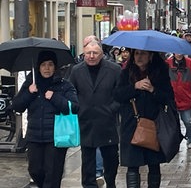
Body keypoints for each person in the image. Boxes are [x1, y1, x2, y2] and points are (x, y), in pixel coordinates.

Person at [11, 50, 79, 188]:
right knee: (34, 170)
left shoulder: (64, 85)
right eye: (43, 65)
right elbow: (17, 106)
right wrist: (29, 93)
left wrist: (54, 97)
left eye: (50, 64)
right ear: (38, 67)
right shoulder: (31, 84)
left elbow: (73, 107)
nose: (47, 68)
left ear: (55, 67)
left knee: (53, 173)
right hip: (34, 136)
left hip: (56, 138)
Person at [113, 49, 175, 187]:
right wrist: (135, 87)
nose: (139, 57)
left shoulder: (160, 72)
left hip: (153, 125)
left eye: (143, 54)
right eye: (136, 54)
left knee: (154, 164)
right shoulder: (126, 73)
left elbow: (168, 98)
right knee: (132, 164)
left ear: (150, 56)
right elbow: (117, 95)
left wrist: (153, 90)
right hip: (131, 125)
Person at [69, 38, 121, 188]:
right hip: (86, 121)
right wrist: (78, 108)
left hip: (107, 122)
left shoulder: (114, 69)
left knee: (111, 159)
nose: (91, 56)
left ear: (101, 54)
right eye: (88, 53)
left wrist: (111, 109)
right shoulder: (76, 70)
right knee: (88, 162)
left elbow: (120, 95)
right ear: (84, 54)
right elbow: (72, 92)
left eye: (95, 53)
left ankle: (110, 182)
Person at [166, 53, 191, 149]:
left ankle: (190, 137)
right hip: (172, 99)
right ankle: (175, 141)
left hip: (186, 98)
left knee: (187, 122)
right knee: (173, 123)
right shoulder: (167, 63)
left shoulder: (190, 63)